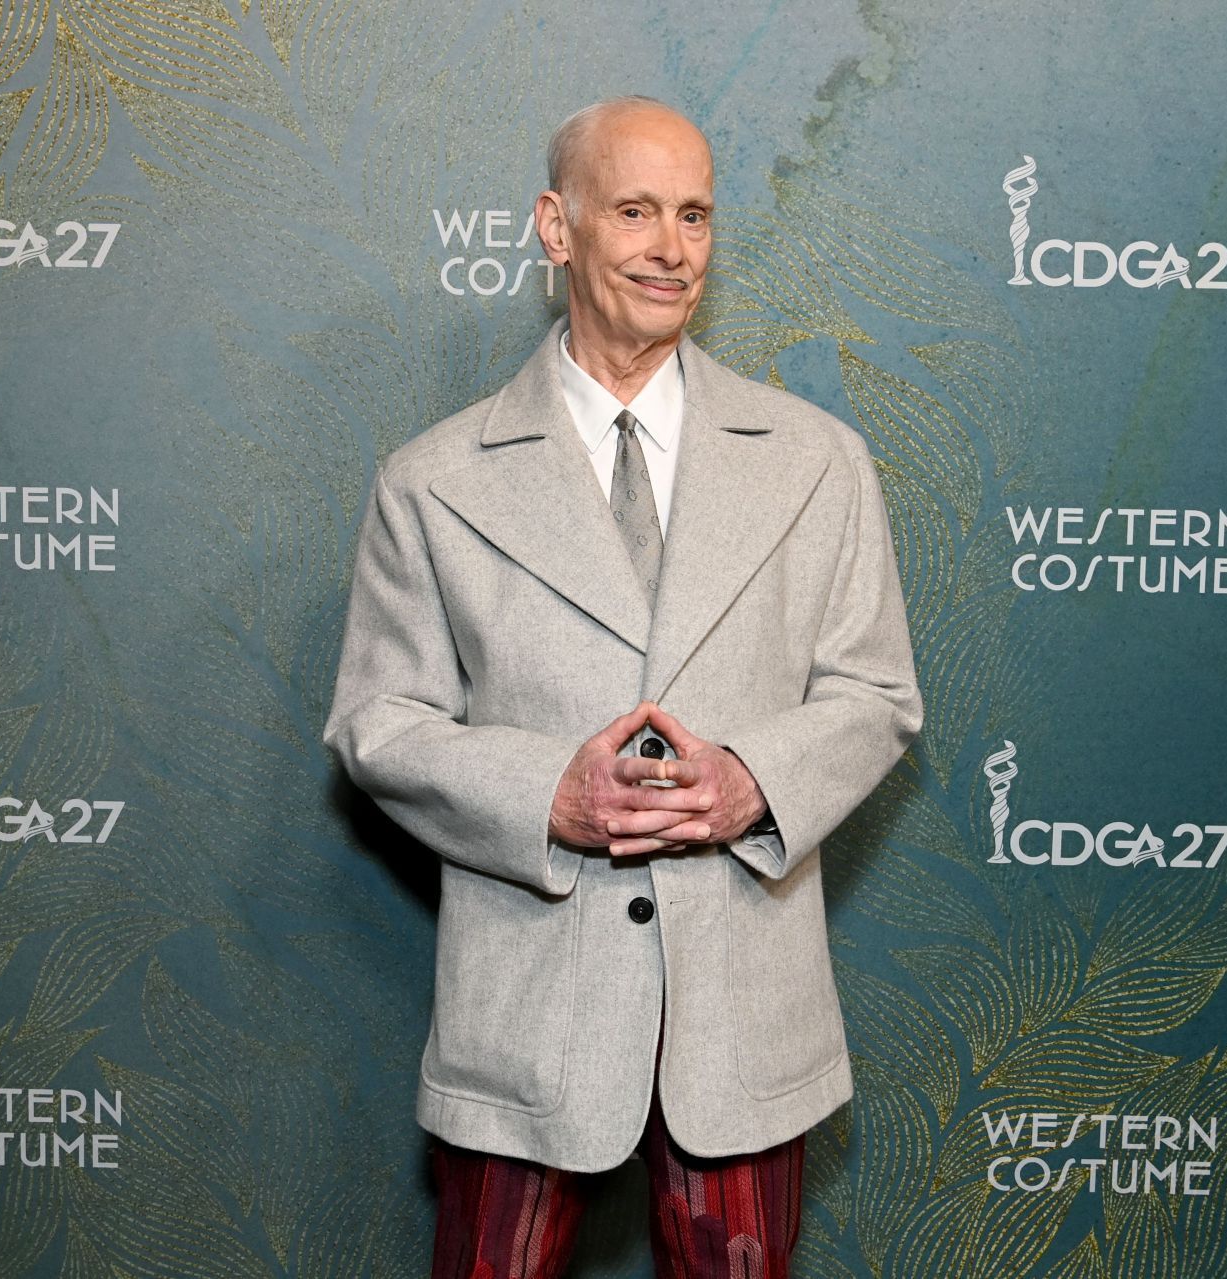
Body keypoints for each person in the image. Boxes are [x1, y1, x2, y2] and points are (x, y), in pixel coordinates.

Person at [323, 95, 922, 1279]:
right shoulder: (433, 480)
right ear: (558, 226)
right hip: (527, 1005)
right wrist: (551, 790)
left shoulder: (818, 461)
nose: (671, 247)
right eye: (636, 210)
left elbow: (874, 692)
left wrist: (751, 782)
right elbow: (377, 721)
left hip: (744, 1009)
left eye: (694, 214)